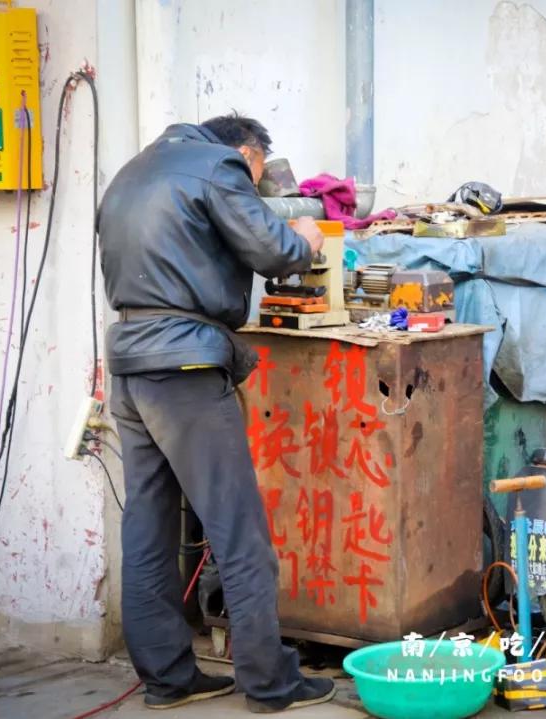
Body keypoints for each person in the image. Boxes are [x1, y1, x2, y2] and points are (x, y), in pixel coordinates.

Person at [98, 114, 336, 713]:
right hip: (183, 367)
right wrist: (306, 235)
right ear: (247, 152)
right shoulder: (219, 166)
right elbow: (273, 250)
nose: (253, 188)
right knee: (238, 529)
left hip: (130, 365)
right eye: (257, 177)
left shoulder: (131, 171)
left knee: (149, 527)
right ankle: (269, 681)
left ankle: (168, 679)